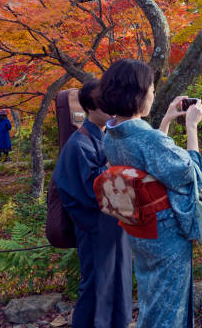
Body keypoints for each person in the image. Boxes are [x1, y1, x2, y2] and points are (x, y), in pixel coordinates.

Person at [99, 59, 202, 328]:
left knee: (152, 297)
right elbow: (189, 173)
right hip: (165, 234)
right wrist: (192, 128)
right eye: (151, 89)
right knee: (169, 306)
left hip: (139, 228)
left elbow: (152, 162)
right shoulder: (148, 139)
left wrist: (167, 119)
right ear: (136, 95)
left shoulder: (111, 135)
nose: (153, 94)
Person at [53, 80, 132, 328]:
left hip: (115, 225)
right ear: (89, 107)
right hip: (96, 228)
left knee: (119, 280)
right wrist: (113, 163)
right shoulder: (78, 144)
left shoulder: (103, 137)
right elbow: (90, 190)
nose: (111, 106)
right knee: (98, 284)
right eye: (103, 101)